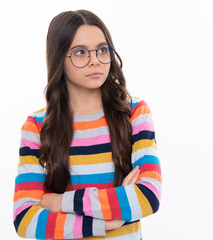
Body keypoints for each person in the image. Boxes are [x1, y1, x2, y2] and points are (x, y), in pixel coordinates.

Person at [13, 9, 162, 239]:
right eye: (80, 52)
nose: (95, 61)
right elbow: (25, 220)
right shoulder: (37, 126)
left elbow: (148, 197)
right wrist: (107, 221)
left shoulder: (134, 113)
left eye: (102, 50)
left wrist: (59, 201)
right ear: (58, 58)